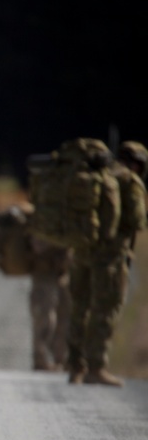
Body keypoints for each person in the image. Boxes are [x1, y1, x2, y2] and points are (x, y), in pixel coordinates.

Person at [67, 139, 146, 385]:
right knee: (104, 308)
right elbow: (137, 220)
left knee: (80, 306)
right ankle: (96, 367)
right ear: (138, 163)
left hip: (82, 251)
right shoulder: (129, 181)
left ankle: (75, 366)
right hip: (109, 256)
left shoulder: (96, 174)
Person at [28, 237, 72, 371]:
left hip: (64, 271)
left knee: (65, 316)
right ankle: (40, 360)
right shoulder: (43, 219)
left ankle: (62, 359)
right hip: (44, 272)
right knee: (45, 318)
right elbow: (37, 245)